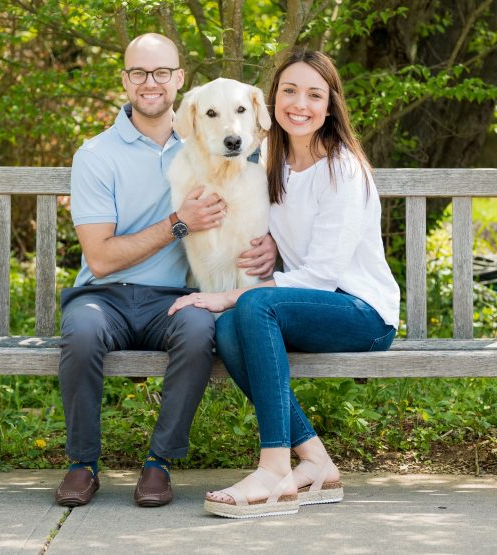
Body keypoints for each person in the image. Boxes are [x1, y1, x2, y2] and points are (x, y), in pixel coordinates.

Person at [168, 49, 400, 519]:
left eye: (315, 95)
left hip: (361, 313)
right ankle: (315, 460)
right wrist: (270, 244)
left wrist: (227, 293)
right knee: (230, 328)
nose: (300, 103)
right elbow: (277, 225)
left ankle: (273, 467)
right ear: (271, 103)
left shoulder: (342, 168)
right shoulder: (271, 157)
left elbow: (321, 276)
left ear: (330, 106)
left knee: (249, 307)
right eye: (289, 91)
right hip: (308, 306)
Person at [55, 33, 277, 509]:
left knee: (199, 329)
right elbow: (100, 259)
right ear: (125, 80)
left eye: (160, 72)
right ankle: (82, 464)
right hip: (104, 294)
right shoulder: (96, 155)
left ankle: (158, 464)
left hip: (171, 297)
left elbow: (257, 190)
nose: (149, 82)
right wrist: (179, 224)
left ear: (178, 80)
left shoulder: (205, 139)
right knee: (80, 331)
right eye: (138, 72)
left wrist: (272, 244)